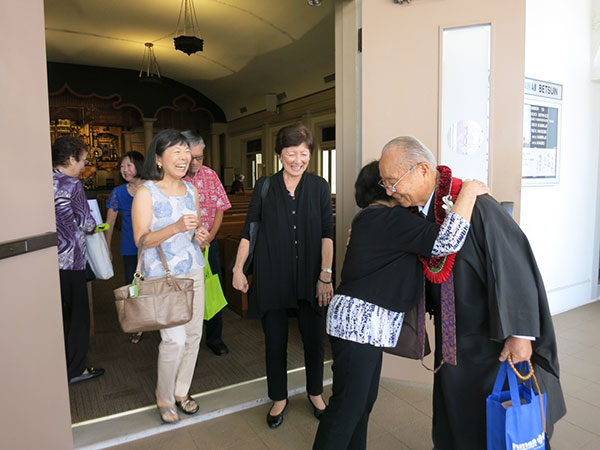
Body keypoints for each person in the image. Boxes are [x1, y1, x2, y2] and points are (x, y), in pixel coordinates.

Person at [378, 136, 566, 450]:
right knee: (455, 411)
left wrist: (520, 335)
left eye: (392, 181)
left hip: (488, 339)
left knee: (492, 415)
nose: (389, 191)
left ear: (423, 170)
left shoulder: (478, 206)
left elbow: (514, 267)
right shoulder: (416, 213)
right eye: (385, 183)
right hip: (452, 340)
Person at [313, 161, 488, 450]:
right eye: (389, 181)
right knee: (347, 407)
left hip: (362, 327)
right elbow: (446, 241)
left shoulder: (374, 219)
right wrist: (467, 192)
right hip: (357, 326)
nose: (396, 187)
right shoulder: (386, 219)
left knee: (361, 403)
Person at [232, 123, 333, 429]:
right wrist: (238, 268)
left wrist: (325, 275)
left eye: (304, 153)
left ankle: (316, 393)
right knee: (274, 341)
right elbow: (250, 231)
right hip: (272, 276)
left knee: (314, 340)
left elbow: (327, 234)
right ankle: (279, 397)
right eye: (292, 153)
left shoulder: (318, 186)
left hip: (310, 277)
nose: (298, 160)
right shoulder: (265, 186)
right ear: (279, 155)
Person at [131, 129, 211, 424]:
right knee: (174, 340)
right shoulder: (146, 192)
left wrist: (200, 234)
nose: (183, 156)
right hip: (162, 276)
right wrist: (176, 227)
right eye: (175, 151)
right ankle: (163, 397)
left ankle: (181, 391)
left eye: (185, 151)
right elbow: (141, 240)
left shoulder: (192, 190)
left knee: (193, 335)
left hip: (193, 271)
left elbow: (195, 231)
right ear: (159, 159)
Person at [52, 136, 105, 384]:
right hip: (71, 260)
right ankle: (76, 369)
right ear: (71, 158)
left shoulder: (45, 180)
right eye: (83, 159)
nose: (84, 165)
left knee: (56, 314)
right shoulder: (73, 185)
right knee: (78, 317)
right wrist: (97, 226)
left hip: (48, 261)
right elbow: (86, 223)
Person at [182, 130, 231, 356]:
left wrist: (211, 236)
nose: (195, 162)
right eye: (192, 157)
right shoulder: (174, 178)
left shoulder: (210, 175)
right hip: (182, 246)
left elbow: (220, 208)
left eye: (200, 157)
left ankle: (215, 338)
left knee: (212, 288)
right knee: (185, 293)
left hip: (209, 244)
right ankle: (185, 343)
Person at [105, 151, 146, 344]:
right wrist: (107, 249)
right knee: (133, 286)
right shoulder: (118, 193)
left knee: (157, 283)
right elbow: (110, 223)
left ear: (139, 165)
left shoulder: (152, 188)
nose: (125, 170)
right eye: (122, 166)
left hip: (153, 246)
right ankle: (137, 325)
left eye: (129, 165)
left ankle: (160, 317)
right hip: (130, 247)